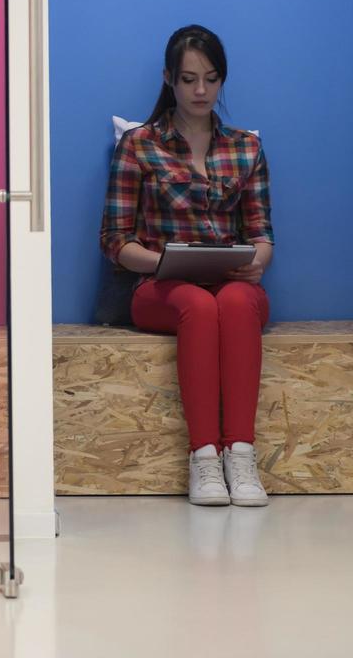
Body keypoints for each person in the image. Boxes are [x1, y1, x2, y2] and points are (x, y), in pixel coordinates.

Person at [100, 25, 274, 507]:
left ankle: (240, 455)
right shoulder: (138, 145)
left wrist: (256, 262)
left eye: (212, 79)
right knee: (197, 304)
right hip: (160, 286)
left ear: (222, 81)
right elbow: (115, 241)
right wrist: (163, 263)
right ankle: (203, 460)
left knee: (237, 301)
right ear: (168, 80)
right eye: (189, 79)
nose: (201, 91)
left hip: (233, 282)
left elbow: (261, 233)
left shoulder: (246, 147)